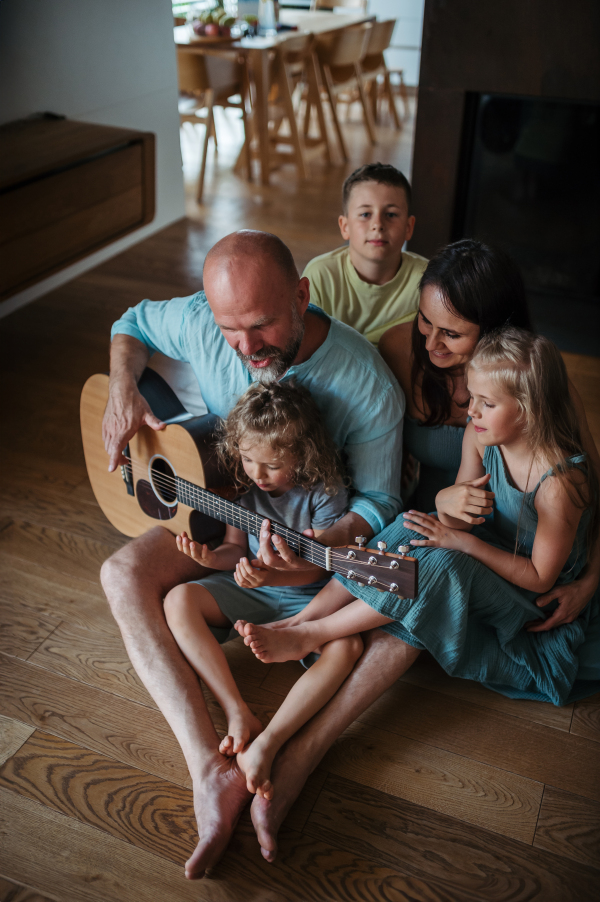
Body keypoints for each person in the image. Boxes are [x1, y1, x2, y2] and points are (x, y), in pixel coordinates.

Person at [100, 229, 407, 878]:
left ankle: (288, 764)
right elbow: (129, 324)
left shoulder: (365, 382)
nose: (245, 348)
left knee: (394, 631)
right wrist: (124, 388)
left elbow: (380, 503)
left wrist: (318, 552)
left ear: (300, 297)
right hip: (229, 519)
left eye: (262, 325)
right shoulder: (201, 322)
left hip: (313, 546)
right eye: (228, 328)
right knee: (120, 572)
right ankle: (208, 766)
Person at [239, 328, 600, 706]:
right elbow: (456, 521)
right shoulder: (479, 435)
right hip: (494, 546)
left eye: (487, 403)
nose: (471, 410)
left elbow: (541, 578)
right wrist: (448, 504)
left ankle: (315, 633)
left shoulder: (558, 483)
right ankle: (301, 620)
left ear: (528, 411)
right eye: (472, 396)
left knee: (439, 566)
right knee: (411, 524)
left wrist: (463, 542)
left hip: (532, 591)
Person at [379, 239, 600, 629]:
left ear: (497, 331)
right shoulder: (399, 349)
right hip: (440, 520)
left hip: (511, 552)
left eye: (451, 333)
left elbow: (591, 490)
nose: (431, 343)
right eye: (425, 319)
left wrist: (590, 582)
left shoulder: (541, 390)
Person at [163, 381, 362, 800]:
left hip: (306, 596)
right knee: (178, 599)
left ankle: (274, 735)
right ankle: (237, 711)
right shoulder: (245, 485)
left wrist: (273, 577)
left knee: (348, 647)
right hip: (254, 588)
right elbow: (235, 550)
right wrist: (208, 558)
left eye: (271, 465)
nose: (257, 473)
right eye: (249, 459)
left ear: (302, 455)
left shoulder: (326, 493)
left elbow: (320, 571)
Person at [303, 163, 427, 345]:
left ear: (409, 227)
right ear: (345, 227)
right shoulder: (321, 276)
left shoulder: (428, 281)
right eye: (365, 214)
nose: (378, 224)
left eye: (391, 214)